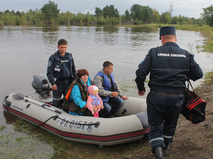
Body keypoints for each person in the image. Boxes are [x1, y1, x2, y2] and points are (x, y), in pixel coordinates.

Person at [135, 26, 203, 159]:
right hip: (176, 98)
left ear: (162, 39)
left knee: (155, 125)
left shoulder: (153, 52)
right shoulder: (186, 54)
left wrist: (141, 88)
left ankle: (158, 151)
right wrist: (185, 75)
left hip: (156, 97)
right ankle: (165, 147)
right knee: (171, 123)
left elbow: (140, 73)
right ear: (175, 38)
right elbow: (199, 74)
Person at [47, 39, 77, 108]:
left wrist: (75, 82)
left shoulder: (69, 56)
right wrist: (53, 83)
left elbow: (73, 70)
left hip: (68, 82)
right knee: (56, 101)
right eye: (62, 47)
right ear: (58, 47)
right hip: (58, 83)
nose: (63, 49)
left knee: (69, 100)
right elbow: (49, 72)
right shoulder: (53, 58)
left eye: (65, 47)